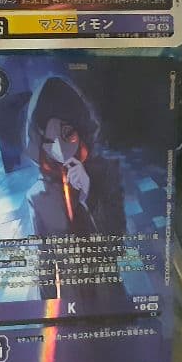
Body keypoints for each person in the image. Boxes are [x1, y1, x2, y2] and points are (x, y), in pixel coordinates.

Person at [23, 77, 126, 300]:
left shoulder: (107, 172)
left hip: (109, 293)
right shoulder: (37, 196)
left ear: (80, 129)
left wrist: (89, 195)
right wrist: (47, 310)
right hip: (71, 297)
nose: (60, 148)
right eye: (49, 141)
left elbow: (117, 243)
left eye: (67, 133)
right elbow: (44, 262)